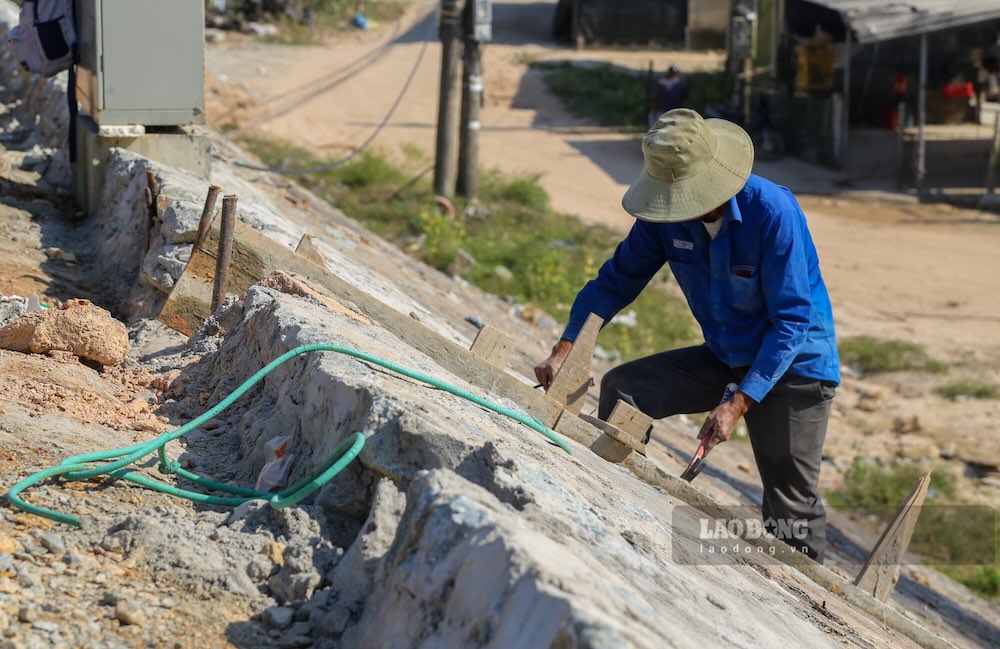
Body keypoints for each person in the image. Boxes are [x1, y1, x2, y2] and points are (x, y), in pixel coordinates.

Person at [534, 109, 840, 562]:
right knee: (625, 391)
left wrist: (738, 403)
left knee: (788, 508)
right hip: (725, 354)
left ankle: (818, 613)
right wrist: (567, 346)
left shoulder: (772, 212)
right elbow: (614, 282)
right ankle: (619, 505)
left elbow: (792, 319)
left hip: (793, 366)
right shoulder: (664, 218)